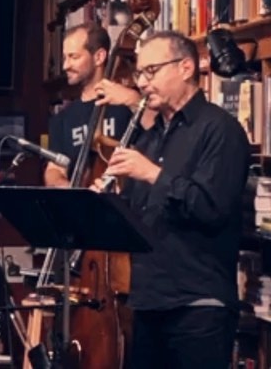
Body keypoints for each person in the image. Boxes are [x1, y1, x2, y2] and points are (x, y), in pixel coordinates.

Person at [91, 30, 250, 368]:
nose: (142, 83)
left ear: (185, 68)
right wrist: (107, 203)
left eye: (151, 71)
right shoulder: (150, 138)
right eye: (139, 74)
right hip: (149, 301)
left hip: (198, 305)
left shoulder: (220, 129)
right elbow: (139, 219)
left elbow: (212, 208)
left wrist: (152, 174)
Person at [45, 22, 152, 188]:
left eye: (74, 57)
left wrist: (135, 101)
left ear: (99, 57)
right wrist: (73, 191)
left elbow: (159, 135)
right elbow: (54, 170)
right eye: (65, 58)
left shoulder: (128, 102)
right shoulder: (62, 119)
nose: (66, 66)